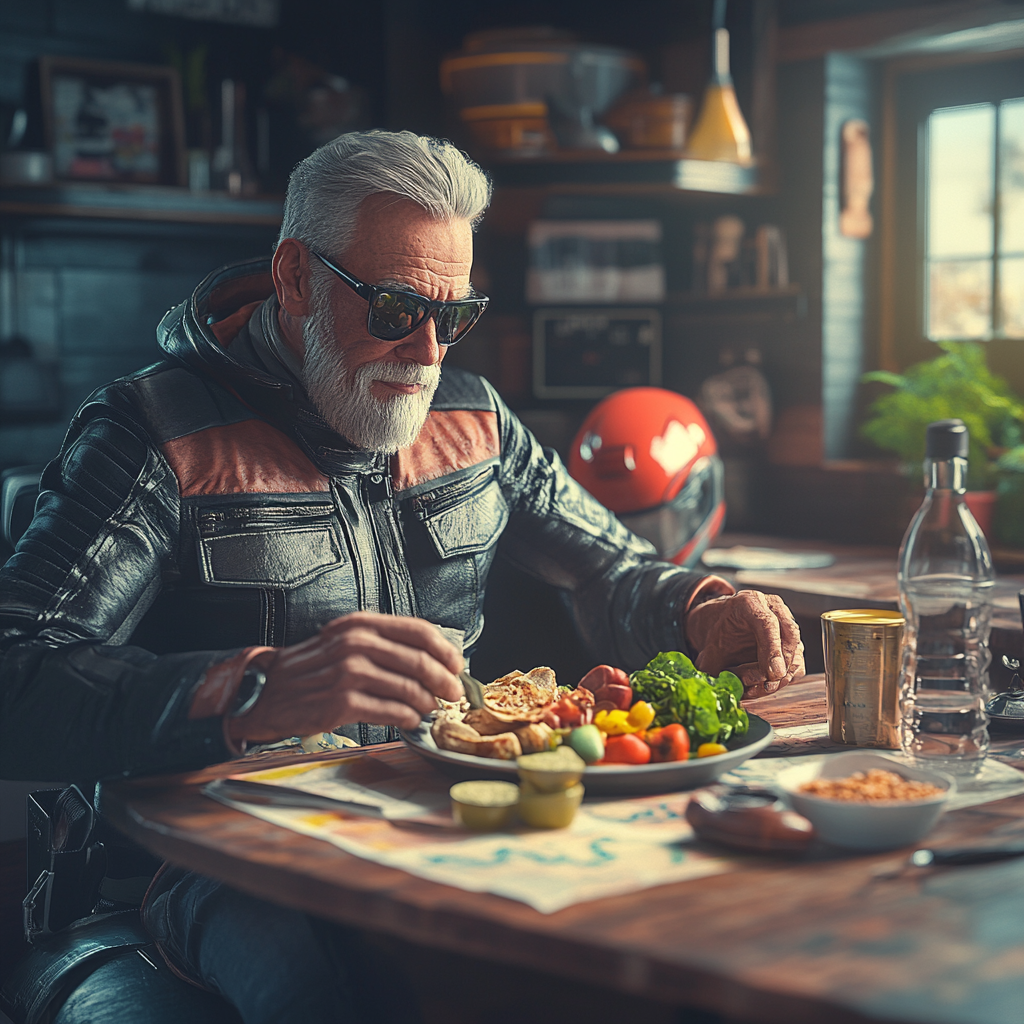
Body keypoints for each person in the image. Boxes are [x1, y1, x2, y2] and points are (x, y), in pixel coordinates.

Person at [0, 130, 804, 1022]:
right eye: (393, 309)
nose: (427, 352)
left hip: (446, 818)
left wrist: (700, 608)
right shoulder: (152, 432)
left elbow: (610, 571)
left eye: (453, 315)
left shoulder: (474, 417)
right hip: (214, 858)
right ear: (297, 277)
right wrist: (255, 689)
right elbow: (15, 669)